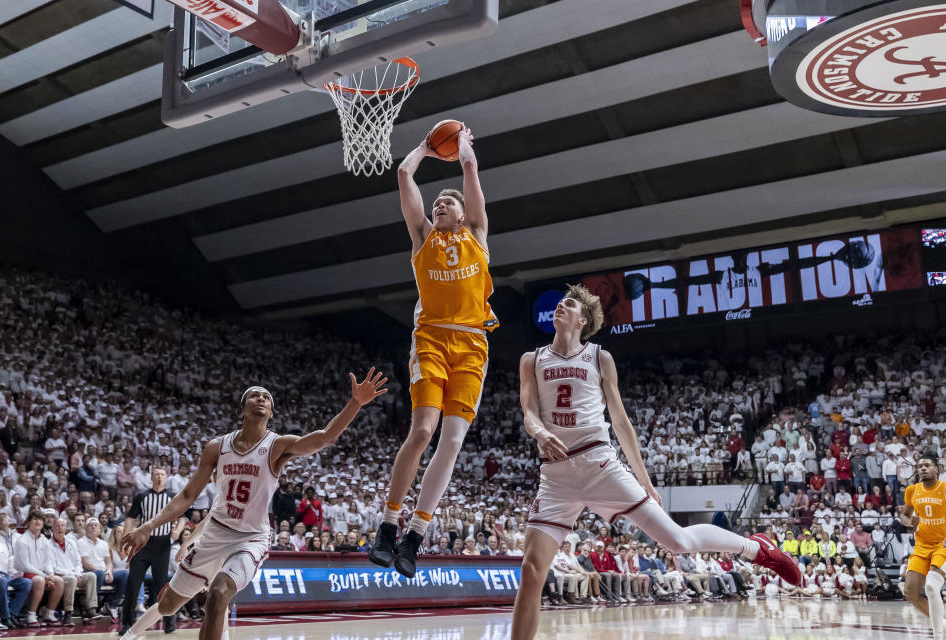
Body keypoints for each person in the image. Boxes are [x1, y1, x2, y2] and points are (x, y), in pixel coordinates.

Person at [509, 284, 801, 640]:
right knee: (531, 569)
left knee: (677, 541)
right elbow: (528, 413)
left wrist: (644, 479)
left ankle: (758, 549)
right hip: (555, 477)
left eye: (568, 305)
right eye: (559, 304)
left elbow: (620, 421)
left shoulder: (599, 357)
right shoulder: (532, 359)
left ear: (582, 319)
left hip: (600, 464)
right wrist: (539, 433)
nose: (560, 307)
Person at [121, 373, 386, 640]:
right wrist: (148, 526)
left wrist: (355, 403)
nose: (261, 398)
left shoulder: (277, 445)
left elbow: (326, 437)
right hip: (215, 534)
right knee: (167, 606)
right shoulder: (218, 447)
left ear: (271, 412)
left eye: (267, 397)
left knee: (218, 593)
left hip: (251, 538)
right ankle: (166, 600)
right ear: (242, 407)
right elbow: (188, 495)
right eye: (255, 395)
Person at [369, 125, 498, 579]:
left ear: (463, 215)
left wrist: (464, 143)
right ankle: (387, 524)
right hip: (431, 340)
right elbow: (404, 175)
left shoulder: (477, 234)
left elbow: (468, 168)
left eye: (449, 203)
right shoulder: (423, 236)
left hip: (472, 345)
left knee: (454, 441)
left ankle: (415, 536)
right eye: (438, 202)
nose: (441, 205)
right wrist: (424, 149)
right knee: (423, 431)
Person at [120, 466, 180, 635]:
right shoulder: (142, 496)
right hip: (142, 544)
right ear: (151, 478)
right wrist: (126, 538)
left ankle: (169, 621)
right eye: (156, 474)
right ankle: (127, 624)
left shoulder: (172, 497)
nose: (159, 477)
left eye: (162, 474)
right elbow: (131, 518)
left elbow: (182, 518)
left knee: (162, 585)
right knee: (133, 583)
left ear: (166, 477)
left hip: (162, 545)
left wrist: (178, 531)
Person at [900, 451, 946, 639]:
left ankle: (939, 635)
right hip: (921, 546)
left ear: (936, 468)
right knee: (910, 592)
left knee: (932, 587)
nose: (923, 469)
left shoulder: (944, 488)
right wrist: (908, 521)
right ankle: (942, 622)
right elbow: (904, 514)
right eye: (920, 466)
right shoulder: (912, 490)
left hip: (942, 546)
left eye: (927, 465)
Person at [13, 510, 64, 627]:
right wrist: (44, 576)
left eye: (40, 519)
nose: (38, 522)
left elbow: (48, 562)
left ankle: (49, 613)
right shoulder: (22, 540)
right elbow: (24, 565)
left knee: (59, 581)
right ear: (29, 523)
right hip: (25, 573)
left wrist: (50, 574)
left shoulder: (45, 541)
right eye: (35, 519)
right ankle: (31, 614)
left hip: (40, 573)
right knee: (40, 580)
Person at [48, 517, 97, 626]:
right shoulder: (48, 544)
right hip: (60, 575)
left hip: (74, 574)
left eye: (62, 525)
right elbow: (52, 566)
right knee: (70, 579)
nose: (60, 528)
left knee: (91, 576)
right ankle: (68, 614)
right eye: (57, 526)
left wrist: (78, 573)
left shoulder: (71, 542)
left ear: (66, 528)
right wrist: (72, 574)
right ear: (53, 528)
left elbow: (78, 561)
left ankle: (91, 610)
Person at [78, 518, 128, 620]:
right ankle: (91, 609)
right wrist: (103, 572)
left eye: (95, 525)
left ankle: (112, 604)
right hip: (89, 574)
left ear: (100, 529)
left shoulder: (104, 544)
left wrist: (108, 571)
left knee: (125, 574)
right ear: (86, 528)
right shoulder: (81, 542)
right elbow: (85, 563)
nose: (93, 527)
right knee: (99, 573)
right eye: (90, 525)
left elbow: (108, 561)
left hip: (104, 574)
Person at [0, 518, 32, 629]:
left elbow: (9, 567)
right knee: (1, 582)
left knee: (26, 582)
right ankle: (5, 618)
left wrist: (17, 573)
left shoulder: (2, 546)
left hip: (6, 576)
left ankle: (12, 614)